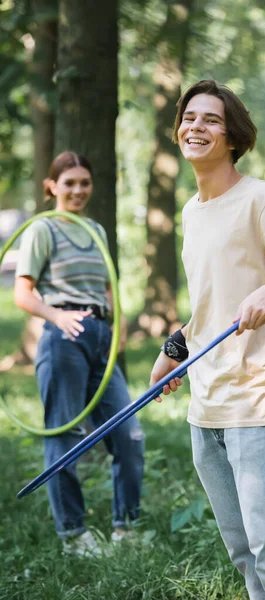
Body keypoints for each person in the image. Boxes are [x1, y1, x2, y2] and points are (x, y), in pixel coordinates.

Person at [150, 80, 265, 600]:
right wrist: (173, 351)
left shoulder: (261, 200)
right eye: (189, 118)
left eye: (211, 119)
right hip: (206, 402)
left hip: (258, 398)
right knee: (242, 549)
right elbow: (210, 306)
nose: (196, 127)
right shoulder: (191, 210)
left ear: (232, 136)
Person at [15, 151, 144, 556]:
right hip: (63, 339)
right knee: (65, 435)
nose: (78, 190)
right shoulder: (43, 230)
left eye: (84, 182)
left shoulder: (96, 230)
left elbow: (107, 284)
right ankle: (74, 535)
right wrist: (57, 315)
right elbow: (23, 293)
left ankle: (127, 528)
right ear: (51, 186)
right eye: (68, 182)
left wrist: (116, 324)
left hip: (101, 337)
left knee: (129, 434)